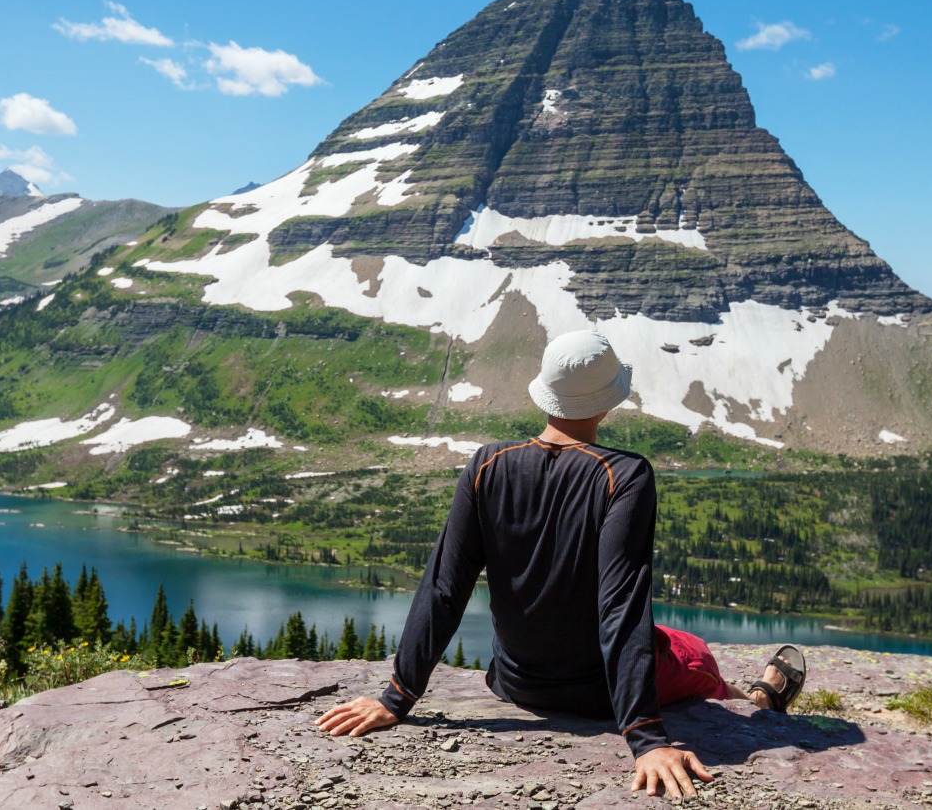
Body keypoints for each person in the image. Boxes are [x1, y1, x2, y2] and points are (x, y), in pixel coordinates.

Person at [317, 329, 807, 799]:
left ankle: (755, 699)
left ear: (544, 393)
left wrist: (396, 698)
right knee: (694, 653)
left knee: (673, 645)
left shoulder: (487, 463)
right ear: (607, 399)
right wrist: (646, 738)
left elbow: (445, 586)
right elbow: (621, 605)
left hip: (514, 685)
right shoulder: (625, 475)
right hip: (601, 699)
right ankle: (760, 701)